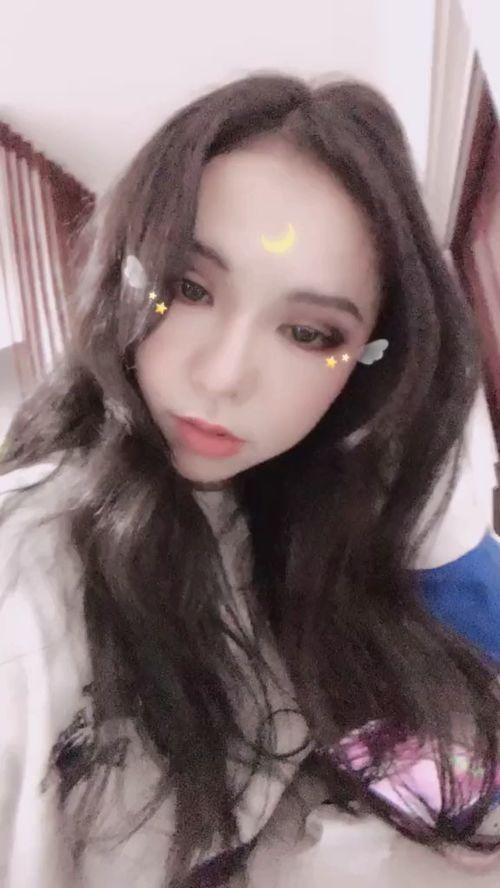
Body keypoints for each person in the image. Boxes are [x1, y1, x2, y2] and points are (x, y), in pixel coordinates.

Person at [1, 71, 500, 888]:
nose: (224, 376)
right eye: (189, 287)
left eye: (308, 333)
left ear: (369, 361)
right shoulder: (28, 576)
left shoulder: (306, 517)